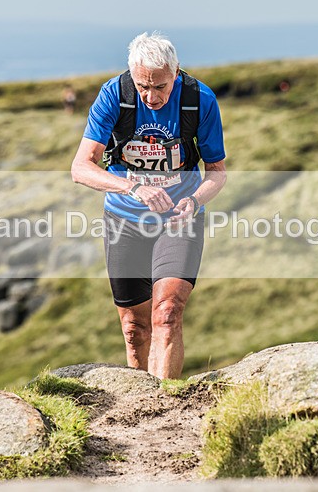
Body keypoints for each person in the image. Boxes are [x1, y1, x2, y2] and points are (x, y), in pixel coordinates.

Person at [71, 32, 227, 378]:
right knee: (134, 328)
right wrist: (133, 187)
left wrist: (194, 200)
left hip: (177, 220)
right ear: (132, 75)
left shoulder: (199, 100)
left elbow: (217, 173)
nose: (151, 96)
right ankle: (140, 403)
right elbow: (80, 168)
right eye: (143, 85)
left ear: (176, 73)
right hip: (124, 221)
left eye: (160, 87)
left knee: (167, 312)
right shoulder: (115, 95)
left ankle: (164, 404)